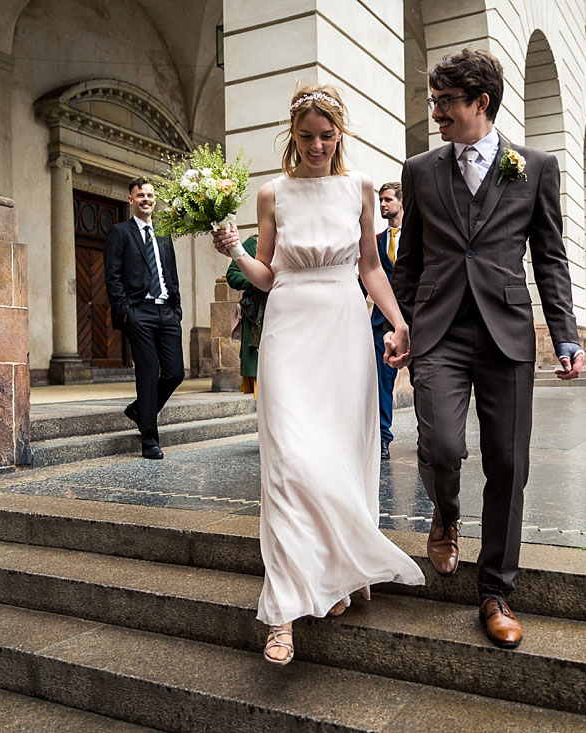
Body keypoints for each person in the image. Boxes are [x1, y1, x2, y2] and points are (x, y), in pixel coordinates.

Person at [212, 85, 425, 666]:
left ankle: (333, 573)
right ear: (292, 136)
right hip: (288, 327)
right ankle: (280, 612)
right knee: (287, 461)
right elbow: (267, 275)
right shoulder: (272, 192)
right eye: (306, 136)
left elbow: (370, 267)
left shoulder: (359, 188)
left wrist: (399, 323)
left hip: (341, 328)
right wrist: (235, 249)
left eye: (326, 135)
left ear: (340, 134)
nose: (316, 145)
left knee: (338, 454)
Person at [388, 49, 584, 649]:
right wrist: (398, 323)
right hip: (439, 331)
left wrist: (567, 333)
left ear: (482, 104)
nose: (436, 111)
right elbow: (411, 258)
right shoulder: (421, 170)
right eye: (435, 100)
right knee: (442, 446)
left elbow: (549, 257)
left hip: (506, 332)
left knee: (508, 464)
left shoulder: (536, 167)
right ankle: (445, 516)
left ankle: (495, 591)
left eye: (446, 102)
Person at [104, 178, 185, 460]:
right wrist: (126, 311)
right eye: (140, 195)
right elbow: (112, 276)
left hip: (167, 311)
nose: (146, 199)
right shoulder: (120, 232)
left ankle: (140, 410)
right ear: (131, 200)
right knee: (148, 374)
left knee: (175, 373)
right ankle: (149, 440)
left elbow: (170, 273)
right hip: (139, 311)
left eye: (150, 195)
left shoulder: (163, 233)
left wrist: (177, 310)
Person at [359, 182, 402, 459]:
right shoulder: (375, 240)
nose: (383, 205)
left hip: (418, 320)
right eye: (381, 200)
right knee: (382, 382)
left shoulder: (422, 236)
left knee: (425, 381)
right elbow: (366, 278)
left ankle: (429, 435)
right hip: (380, 324)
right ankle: (383, 437)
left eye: (388, 200)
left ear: (402, 202)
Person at [225, 235, 266, 397]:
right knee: (261, 383)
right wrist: (257, 280)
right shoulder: (254, 242)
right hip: (257, 313)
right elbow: (233, 274)